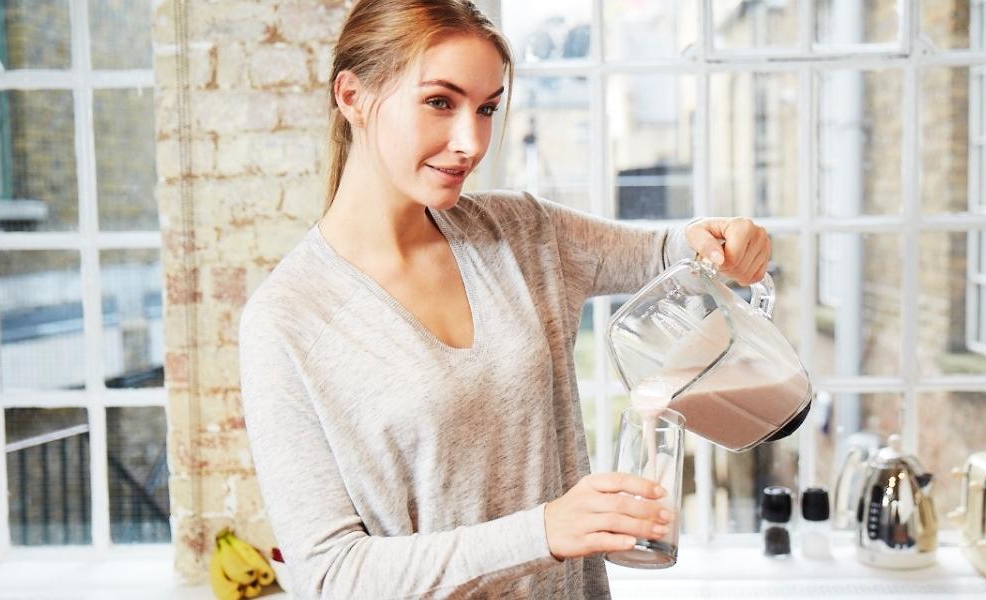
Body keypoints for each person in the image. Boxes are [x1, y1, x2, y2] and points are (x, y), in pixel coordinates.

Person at [238, 1, 772, 598]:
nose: (470, 142)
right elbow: (330, 575)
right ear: (352, 96)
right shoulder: (287, 321)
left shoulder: (521, 235)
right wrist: (543, 531)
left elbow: (668, 250)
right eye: (440, 101)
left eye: (487, 108)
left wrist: (727, 241)